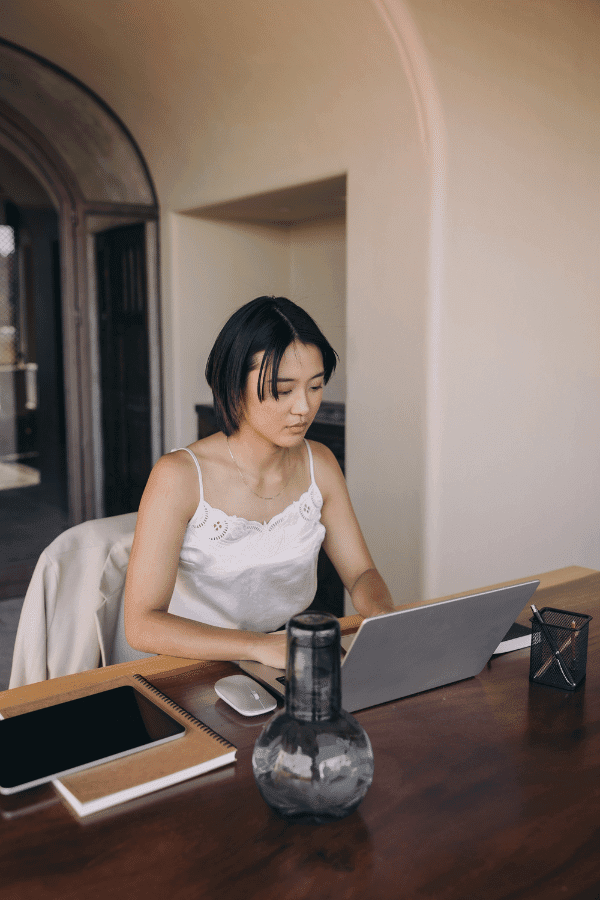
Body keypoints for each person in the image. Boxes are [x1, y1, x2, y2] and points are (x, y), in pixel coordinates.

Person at [125, 296, 393, 669]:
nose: (303, 407)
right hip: (191, 662)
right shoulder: (179, 476)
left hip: (285, 654)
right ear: (233, 385)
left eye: (315, 387)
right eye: (283, 390)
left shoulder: (322, 465)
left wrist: (384, 617)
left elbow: (362, 573)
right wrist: (256, 646)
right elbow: (141, 625)